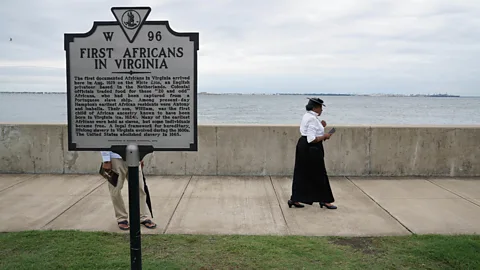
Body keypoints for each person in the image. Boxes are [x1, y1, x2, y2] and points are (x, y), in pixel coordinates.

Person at [288, 97, 337, 210]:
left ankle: (295, 198)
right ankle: (325, 200)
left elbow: (309, 131)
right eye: (320, 108)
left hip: (303, 146)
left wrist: (321, 126)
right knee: (320, 174)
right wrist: (325, 136)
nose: (321, 110)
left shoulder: (308, 116)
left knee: (301, 173)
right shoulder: (312, 119)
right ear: (315, 108)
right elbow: (311, 139)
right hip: (311, 149)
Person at [101, 151, 157, 230]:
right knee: (115, 191)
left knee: (140, 188)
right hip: (115, 158)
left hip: (134, 157)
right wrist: (106, 160)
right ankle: (121, 218)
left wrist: (140, 156)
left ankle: (142, 217)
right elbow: (104, 139)